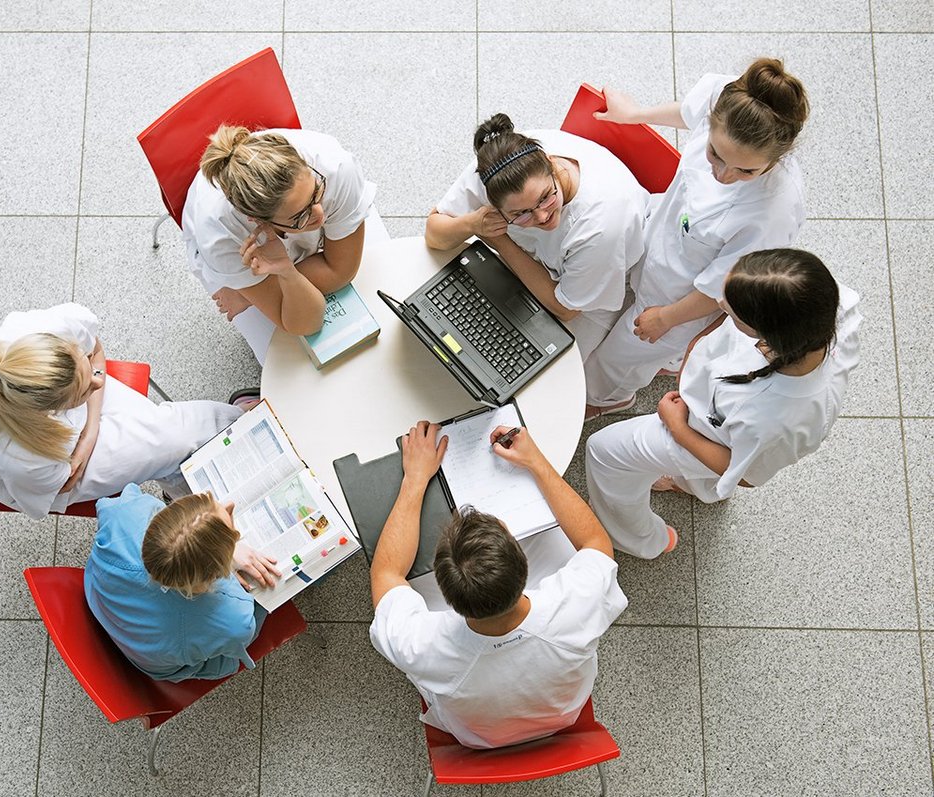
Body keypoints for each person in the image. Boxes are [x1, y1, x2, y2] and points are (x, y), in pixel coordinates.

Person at [585, 248, 861, 559]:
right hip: (708, 415)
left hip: (700, 432)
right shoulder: (825, 306)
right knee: (701, 477)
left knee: (603, 451)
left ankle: (639, 539)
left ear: (768, 334)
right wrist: (695, 344)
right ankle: (691, 486)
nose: (718, 304)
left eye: (732, 312)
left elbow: (744, 473)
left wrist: (677, 428)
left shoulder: (774, 418)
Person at [369, 421, 627, 749]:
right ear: (523, 565)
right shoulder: (577, 605)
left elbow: (387, 574)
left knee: (401, 587)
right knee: (558, 539)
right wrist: (535, 461)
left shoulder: (421, 645)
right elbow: (594, 541)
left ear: (447, 592)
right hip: (563, 712)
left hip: (475, 736)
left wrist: (415, 479)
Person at [584, 57, 810, 417]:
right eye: (715, 155)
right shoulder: (725, 96)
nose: (723, 174)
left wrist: (667, 318)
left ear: (775, 160)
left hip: (682, 295)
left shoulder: (773, 211)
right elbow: (689, 112)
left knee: (615, 360)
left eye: (746, 170)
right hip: (663, 228)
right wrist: (633, 115)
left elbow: (725, 285)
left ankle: (609, 397)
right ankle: (668, 355)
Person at [0, 303, 244, 519]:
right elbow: (65, 483)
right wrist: (84, 442)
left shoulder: (37, 333)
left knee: (169, 436)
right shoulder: (21, 458)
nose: (98, 381)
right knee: (172, 441)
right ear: (54, 410)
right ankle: (207, 467)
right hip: (62, 467)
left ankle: (185, 487)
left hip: (70, 440)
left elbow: (95, 350)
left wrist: (89, 432)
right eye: (84, 389)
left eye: (87, 368)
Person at [426, 114, 649, 359]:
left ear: (552, 165)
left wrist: (498, 239)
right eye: (520, 213)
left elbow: (565, 308)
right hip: (536, 263)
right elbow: (434, 234)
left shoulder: (601, 225)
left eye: (545, 197)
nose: (542, 217)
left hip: (595, 286)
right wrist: (472, 223)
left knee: (537, 363)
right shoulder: (498, 165)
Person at [181, 125, 382, 364]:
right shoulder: (220, 236)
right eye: (300, 216)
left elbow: (341, 271)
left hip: (260, 263)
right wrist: (286, 273)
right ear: (256, 220)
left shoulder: (334, 167)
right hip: (226, 255)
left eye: (317, 193)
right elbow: (305, 322)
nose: (320, 216)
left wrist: (252, 294)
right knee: (282, 359)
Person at [84, 484, 280, 681]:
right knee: (266, 584)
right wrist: (229, 556)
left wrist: (225, 551)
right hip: (170, 657)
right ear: (219, 571)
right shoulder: (235, 619)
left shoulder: (125, 514)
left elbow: (107, 506)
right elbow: (240, 630)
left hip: (106, 600)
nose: (229, 505)